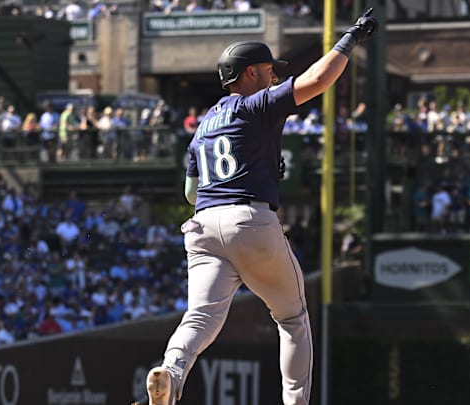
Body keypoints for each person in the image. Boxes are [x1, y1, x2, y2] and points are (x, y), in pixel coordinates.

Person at [144, 9, 378, 405]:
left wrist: (257, 165)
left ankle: (172, 371)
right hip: (248, 220)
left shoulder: (202, 126)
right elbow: (317, 80)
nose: (274, 77)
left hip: (202, 226)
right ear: (250, 72)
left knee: (199, 318)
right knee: (293, 319)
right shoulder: (255, 106)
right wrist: (351, 37)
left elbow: (190, 191)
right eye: (270, 70)